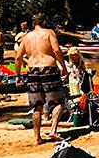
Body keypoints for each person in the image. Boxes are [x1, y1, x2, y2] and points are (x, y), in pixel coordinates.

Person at [14, 14, 69, 145]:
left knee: (37, 106)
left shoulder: (26, 37)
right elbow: (56, 50)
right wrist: (63, 67)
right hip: (49, 69)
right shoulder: (49, 33)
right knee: (58, 102)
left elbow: (18, 57)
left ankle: (37, 137)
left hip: (33, 71)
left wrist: (18, 75)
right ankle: (53, 130)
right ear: (44, 22)